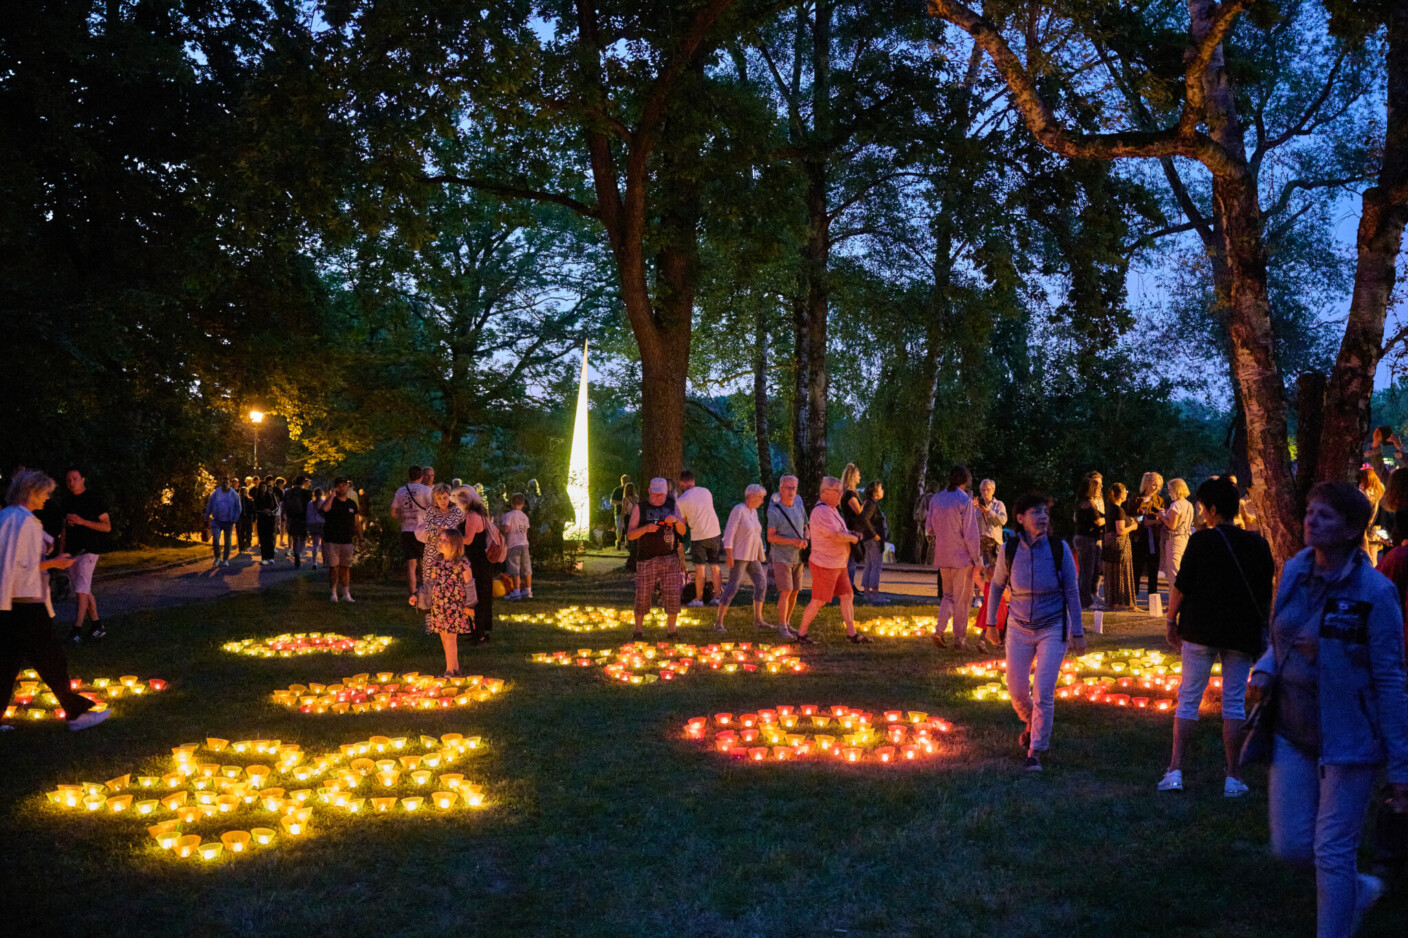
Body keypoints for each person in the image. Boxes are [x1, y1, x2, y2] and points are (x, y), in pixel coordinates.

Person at [1249, 482, 1408, 937]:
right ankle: (1357, 890)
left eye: (1325, 515)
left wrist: (1401, 767)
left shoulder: (1375, 593)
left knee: (1332, 851)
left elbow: (1392, 678)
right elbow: (1282, 633)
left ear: (1353, 530)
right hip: (1293, 729)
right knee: (1293, 846)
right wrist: (1265, 667)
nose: (1311, 520)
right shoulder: (1298, 569)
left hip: (1350, 735)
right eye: (1310, 511)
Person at [1157, 476, 1274, 796]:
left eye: (1203, 508)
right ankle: (1233, 776)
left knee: (1190, 698)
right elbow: (1265, 592)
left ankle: (1175, 769)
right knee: (1234, 702)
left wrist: (1170, 620)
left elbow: (1181, 586)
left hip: (1200, 628)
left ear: (1210, 509)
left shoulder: (1201, 541)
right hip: (1241, 632)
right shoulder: (1258, 543)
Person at [0, 470, 108, 731]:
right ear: (32, 492)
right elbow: (13, 566)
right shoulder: (23, 521)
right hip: (25, 602)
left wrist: (45, 545)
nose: (48, 498)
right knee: (53, 660)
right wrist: (53, 562)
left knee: (5, 664)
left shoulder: (8, 516)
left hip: (11, 604)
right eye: (45, 493)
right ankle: (77, 714)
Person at [984, 492, 1083, 772]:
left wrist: (1078, 631)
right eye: (1036, 512)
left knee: (1043, 692)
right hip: (1017, 628)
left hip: (1053, 627)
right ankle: (1031, 722)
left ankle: (1036, 750)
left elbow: (1072, 592)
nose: (1043, 517)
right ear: (1019, 518)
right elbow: (997, 586)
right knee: (1016, 690)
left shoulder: (1058, 548)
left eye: (1045, 513)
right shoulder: (1009, 549)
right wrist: (992, 623)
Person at [782, 476, 872, 645]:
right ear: (825, 492)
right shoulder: (821, 511)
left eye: (841, 491)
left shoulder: (833, 510)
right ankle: (801, 634)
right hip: (826, 564)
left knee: (847, 595)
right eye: (837, 491)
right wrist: (852, 540)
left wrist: (852, 533)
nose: (840, 495)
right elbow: (834, 535)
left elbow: (840, 531)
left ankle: (852, 634)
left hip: (839, 563)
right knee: (819, 600)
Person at [927, 465, 983, 649]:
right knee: (962, 600)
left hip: (943, 555)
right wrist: (977, 559)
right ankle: (959, 638)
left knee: (948, 596)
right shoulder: (964, 501)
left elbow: (929, 528)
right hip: (961, 557)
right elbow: (970, 533)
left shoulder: (936, 499)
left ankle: (939, 630)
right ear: (965, 481)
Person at [626, 478, 686, 639]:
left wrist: (676, 521)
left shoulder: (672, 505)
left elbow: (683, 530)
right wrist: (645, 529)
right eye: (655, 494)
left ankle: (672, 631)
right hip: (647, 558)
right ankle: (638, 631)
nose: (658, 498)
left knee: (672, 593)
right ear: (649, 492)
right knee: (643, 593)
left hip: (670, 557)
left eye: (662, 495)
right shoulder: (641, 508)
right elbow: (630, 534)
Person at [413, 529, 476, 678]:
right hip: (439, 605)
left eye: (444, 541)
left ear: (455, 544)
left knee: (450, 637)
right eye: (439, 540)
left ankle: (449, 670)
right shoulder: (437, 561)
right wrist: (417, 595)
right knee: (443, 636)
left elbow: (470, 584)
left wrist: (470, 605)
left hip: (455, 605)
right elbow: (430, 583)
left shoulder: (462, 563)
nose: (439, 543)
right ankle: (454, 669)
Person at [62, 468, 111, 644]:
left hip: (89, 550)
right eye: (68, 480)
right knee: (84, 587)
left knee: (81, 590)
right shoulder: (67, 501)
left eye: (75, 478)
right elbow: (64, 529)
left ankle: (76, 629)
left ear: (83, 479)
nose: (71, 482)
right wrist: (62, 553)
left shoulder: (94, 499)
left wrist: (83, 521)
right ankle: (97, 625)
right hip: (72, 552)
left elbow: (106, 526)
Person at [715, 484, 773, 633]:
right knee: (733, 586)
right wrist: (729, 553)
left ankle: (758, 619)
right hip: (740, 555)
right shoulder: (739, 510)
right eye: (761, 497)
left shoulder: (753, 512)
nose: (762, 501)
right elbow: (730, 531)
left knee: (761, 583)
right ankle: (719, 621)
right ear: (751, 496)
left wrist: (761, 553)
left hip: (752, 555)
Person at [454, 485, 500, 642]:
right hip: (480, 560)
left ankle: (479, 632)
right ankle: (477, 630)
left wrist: (451, 535)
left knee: (476, 595)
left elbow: (468, 539)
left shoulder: (472, 516)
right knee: (479, 594)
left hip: (477, 561)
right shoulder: (479, 513)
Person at [767, 475, 809, 634]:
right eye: (788, 488)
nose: (791, 491)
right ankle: (782, 626)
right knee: (786, 591)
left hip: (798, 557)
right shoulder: (774, 511)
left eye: (794, 488)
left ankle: (788, 621)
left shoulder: (799, 505)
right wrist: (792, 541)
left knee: (795, 591)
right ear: (781, 489)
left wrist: (806, 539)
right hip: (781, 557)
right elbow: (771, 537)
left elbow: (806, 526)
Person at [677, 470, 723, 607]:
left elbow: (682, 521)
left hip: (698, 536)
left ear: (682, 483)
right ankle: (718, 597)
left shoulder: (681, 501)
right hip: (714, 532)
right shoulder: (706, 491)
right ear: (693, 480)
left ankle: (699, 598)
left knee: (700, 569)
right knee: (715, 566)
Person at [391, 466, 432, 603]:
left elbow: (393, 513)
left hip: (407, 530)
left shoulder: (401, 491)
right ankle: (426, 592)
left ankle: (412, 594)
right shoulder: (426, 490)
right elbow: (434, 509)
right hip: (422, 531)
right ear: (421, 476)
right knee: (426, 563)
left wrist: (403, 517)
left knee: (411, 564)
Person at [319, 478, 361, 602]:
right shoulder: (331, 502)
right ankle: (333, 593)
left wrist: (361, 538)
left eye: (344, 486)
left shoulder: (351, 504)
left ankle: (346, 593)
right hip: (332, 539)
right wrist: (331, 496)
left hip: (347, 540)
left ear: (348, 487)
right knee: (333, 567)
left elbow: (357, 522)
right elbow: (324, 509)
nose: (342, 488)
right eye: (339, 486)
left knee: (345, 567)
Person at [1102, 483, 1138, 610]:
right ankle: (1124, 603)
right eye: (1125, 491)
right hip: (1119, 544)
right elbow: (1120, 530)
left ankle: (1113, 601)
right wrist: (1133, 527)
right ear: (1121, 494)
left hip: (1110, 543)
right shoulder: (1118, 510)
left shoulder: (1110, 508)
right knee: (1122, 573)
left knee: (1113, 574)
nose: (1127, 493)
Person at [1073, 472, 1105, 609]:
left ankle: (1087, 597)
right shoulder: (1088, 502)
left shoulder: (1083, 501)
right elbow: (1098, 520)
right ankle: (1085, 601)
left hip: (1085, 538)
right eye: (1096, 485)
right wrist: (1108, 519)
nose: (1100, 487)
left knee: (1089, 570)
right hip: (1086, 539)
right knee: (1087, 571)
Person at [1132, 472, 1165, 603]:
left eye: (1159, 485)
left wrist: (1156, 520)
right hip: (1139, 538)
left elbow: (1163, 518)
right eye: (1154, 484)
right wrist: (1144, 519)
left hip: (1154, 538)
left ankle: (1153, 598)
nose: (1157, 488)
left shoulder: (1159, 500)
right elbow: (1132, 518)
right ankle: (1133, 598)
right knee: (1136, 568)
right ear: (1146, 483)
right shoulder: (1135, 499)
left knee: (1153, 569)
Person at [859, 480, 889, 605]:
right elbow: (865, 519)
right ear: (875, 492)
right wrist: (875, 535)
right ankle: (874, 594)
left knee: (870, 565)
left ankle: (867, 593)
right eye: (881, 489)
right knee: (876, 566)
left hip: (868, 539)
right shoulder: (871, 505)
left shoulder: (869, 503)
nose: (883, 491)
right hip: (873, 540)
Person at [838, 463, 866, 591]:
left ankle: (850, 583)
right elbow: (858, 510)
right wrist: (868, 503)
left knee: (852, 558)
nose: (860, 477)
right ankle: (848, 584)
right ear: (853, 477)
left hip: (855, 528)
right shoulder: (849, 494)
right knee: (851, 559)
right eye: (858, 475)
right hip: (853, 528)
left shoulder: (851, 493)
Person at [1161, 477, 1195, 584]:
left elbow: (1172, 525)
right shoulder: (1189, 504)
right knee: (1183, 571)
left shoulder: (1176, 505)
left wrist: (1161, 517)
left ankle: (1175, 599)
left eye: (1170, 489)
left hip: (1175, 540)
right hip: (1185, 538)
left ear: (1177, 489)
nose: (1169, 492)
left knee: (1174, 573)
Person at [204, 476, 242, 567]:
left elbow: (238, 507)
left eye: (226, 483)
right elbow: (210, 503)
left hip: (228, 521)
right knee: (216, 539)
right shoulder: (216, 492)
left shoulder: (233, 494)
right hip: (217, 520)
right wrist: (207, 515)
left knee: (227, 541)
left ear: (230, 484)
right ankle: (217, 557)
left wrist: (234, 519)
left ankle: (225, 559)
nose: (225, 484)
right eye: (223, 483)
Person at [501, 492, 533, 600]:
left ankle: (516, 591)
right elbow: (526, 531)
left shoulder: (509, 515)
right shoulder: (524, 516)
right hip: (524, 543)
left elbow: (506, 529)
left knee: (514, 568)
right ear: (523, 504)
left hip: (513, 543)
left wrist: (503, 537)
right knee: (526, 568)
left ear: (511, 503)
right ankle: (528, 591)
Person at [1358, 466, 1390, 565]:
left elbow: (1367, 513)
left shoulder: (1367, 494)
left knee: (1369, 557)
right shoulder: (1380, 493)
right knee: (1373, 557)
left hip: (1369, 529)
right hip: (1378, 529)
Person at [975, 479, 1007, 568]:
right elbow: (969, 525)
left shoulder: (999, 505)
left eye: (988, 489)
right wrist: (972, 510)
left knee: (993, 571)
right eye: (982, 490)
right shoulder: (976, 506)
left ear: (993, 490)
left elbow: (1003, 520)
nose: (985, 492)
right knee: (979, 573)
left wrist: (989, 512)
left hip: (993, 544)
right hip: (979, 544)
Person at [282, 477, 311, 569]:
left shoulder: (288, 492)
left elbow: (284, 504)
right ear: (302, 483)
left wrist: (284, 515)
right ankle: (299, 552)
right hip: (303, 517)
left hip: (292, 517)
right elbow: (309, 506)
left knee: (294, 537)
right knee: (302, 537)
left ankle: (296, 553)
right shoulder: (306, 493)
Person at [253, 475, 279, 565]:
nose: (263, 488)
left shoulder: (271, 496)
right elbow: (254, 508)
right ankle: (264, 557)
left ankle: (271, 557)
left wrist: (271, 512)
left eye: (265, 487)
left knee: (270, 538)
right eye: (262, 487)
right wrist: (262, 511)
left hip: (270, 519)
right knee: (263, 538)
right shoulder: (257, 498)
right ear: (260, 488)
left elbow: (276, 506)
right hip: (261, 519)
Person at [913, 482, 937, 564]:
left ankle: (921, 561)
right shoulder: (932, 497)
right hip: (929, 523)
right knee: (931, 543)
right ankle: (929, 562)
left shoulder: (921, 497)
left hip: (921, 522)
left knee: (922, 543)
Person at [620, 482, 640, 570]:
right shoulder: (637, 498)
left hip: (629, 518)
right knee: (636, 536)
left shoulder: (625, 499)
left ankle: (631, 554)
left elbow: (623, 511)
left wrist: (621, 521)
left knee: (630, 536)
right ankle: (635, 554)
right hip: (636, 518)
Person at [305, 487, 325, 569]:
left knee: (315, 544)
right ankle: (325, 561)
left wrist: (308, 526)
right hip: (323, 524)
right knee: (324, 544)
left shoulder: (310, 503)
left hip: (314, 524)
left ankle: (314, 562)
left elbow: (308, 515)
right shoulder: (324, 502)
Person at [611, 474, 630, 549]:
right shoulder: (617, 490)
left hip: (628, 512)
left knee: (627, 528)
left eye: (626, 480)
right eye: (624, 480)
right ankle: (619, 541)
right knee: (620, 527)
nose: (625, 482)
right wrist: (621, 503)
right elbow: (612, 501)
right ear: (621, 481)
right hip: (619, 511)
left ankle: (626, 543)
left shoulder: (630, 490)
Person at [236, 481, 255, 555]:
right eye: (243, 492)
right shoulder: (238, 501)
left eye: (245, 492)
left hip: (248, 518)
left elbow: (252, 510)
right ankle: (241, 547)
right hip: (240, 518)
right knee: (240, 533)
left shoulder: (250, 501)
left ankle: (247, 544)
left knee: (248, 533)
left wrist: (253, 517)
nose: (244, 493)